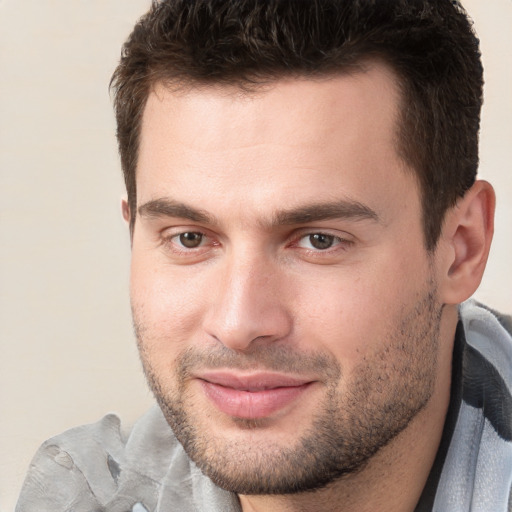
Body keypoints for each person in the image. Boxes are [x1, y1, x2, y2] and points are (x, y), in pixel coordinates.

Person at [16, 1, 512, 511]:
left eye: (319, 240)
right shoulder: (86, 496)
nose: (238, 324)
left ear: (461, 249)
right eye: (189, 238)